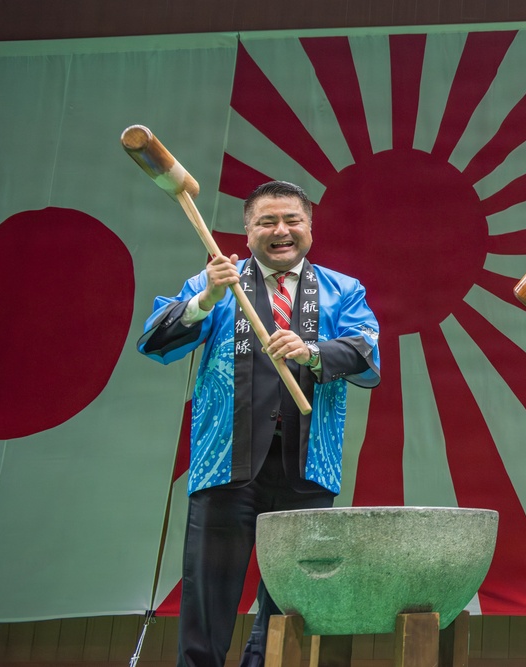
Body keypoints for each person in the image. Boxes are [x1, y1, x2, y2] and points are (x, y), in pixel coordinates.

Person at [138, 180, 381, 667]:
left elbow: (366, 353)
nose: (281, 231)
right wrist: (204, 299)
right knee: (208, 597)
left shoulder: (342, 290)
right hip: (225, 462)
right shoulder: (217, 281)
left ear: (310, 227)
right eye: (267, 221)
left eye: (292, 220)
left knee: (289, 607)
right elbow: (156, 341)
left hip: (307, 467)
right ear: (247, 230)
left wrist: (312, 352)